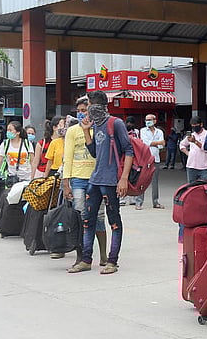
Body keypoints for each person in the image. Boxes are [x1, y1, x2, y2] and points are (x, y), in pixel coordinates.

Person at [68, 90, 134, 275]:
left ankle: (112, 261)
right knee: (88, 219)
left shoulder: (116, 123)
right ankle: (86, 260)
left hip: (112, 181)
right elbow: (95, 152)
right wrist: (86, 131)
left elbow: (129, 150)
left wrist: (123, 178)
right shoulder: (95, 124)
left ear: (96, 105)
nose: (85, 109)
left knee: (114, 221)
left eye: (88, 105)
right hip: (95, 179)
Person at [62, 97, 108, 270]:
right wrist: (66, 183)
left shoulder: (100, 128)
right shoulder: (72, 131)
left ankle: (103, 255)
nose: (82, 113)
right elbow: (67, 157)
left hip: (97, 178)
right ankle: (82, 257)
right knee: (81, 217)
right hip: (78, 179)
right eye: (79, 111)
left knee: (99, 217)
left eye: (85, 110)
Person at [0, 121, 34, 188]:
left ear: (18, 132)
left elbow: (32, 161)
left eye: (10, 130)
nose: (8, 132)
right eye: (7, 130)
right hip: (12, 178)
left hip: (27, 178)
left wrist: (33, 177)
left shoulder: (27, 144)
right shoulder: (5, 144)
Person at [136, 113, 165, 210]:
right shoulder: (143, 130)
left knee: (155, 181)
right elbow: (145, 143)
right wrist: (157, 143)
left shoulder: (159, 132)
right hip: (145, 159)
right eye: (146, 120)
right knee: (142, 180)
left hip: (155, 158)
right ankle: (139, 202)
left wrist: (155, 144)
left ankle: (155, 202)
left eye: (149, 119)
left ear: (155, 121)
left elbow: (162, 145)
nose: (147, 121)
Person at [180, 116, 207, 183]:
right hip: (191, 166)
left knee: (204, 188)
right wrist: (187, 153)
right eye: (192, 126)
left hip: (204, 167)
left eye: (196, 126)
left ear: (201, 124)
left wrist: (195, 141)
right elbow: (182, 145)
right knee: (191, 188)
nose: (194, 128)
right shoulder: (191, 135)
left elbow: (206, 148)